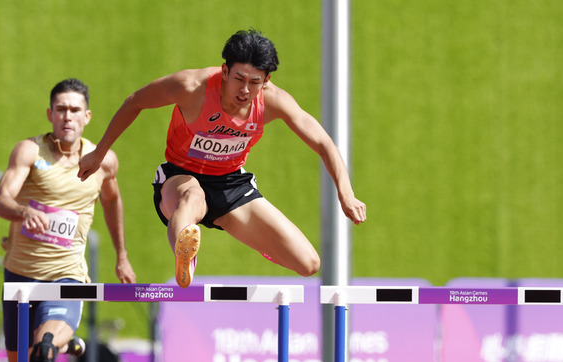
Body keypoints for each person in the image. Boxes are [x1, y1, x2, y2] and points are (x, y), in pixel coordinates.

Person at [78, 29, 366, 288]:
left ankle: (251, 238)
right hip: (181, 175)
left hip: (231, 184)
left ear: (266, 81)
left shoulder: (275, 101)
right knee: (193, 197)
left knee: (308, 264)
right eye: (239, 79)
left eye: (255, 83)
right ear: (225, 71)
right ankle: (185, 256)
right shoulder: (192, 86)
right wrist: (99, 152)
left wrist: (346, 192)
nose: (245, 90)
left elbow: (324, 143)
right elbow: (136, 101)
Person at [0, 78, 136, 362]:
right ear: (50, 115)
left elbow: (113, 200)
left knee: (43, 351)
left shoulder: (103, 160)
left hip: (68, 275)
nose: (67, 116)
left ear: (87, 117)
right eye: (60, 109)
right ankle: (69, 346)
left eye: (75, 110)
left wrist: (122, 256)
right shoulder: (29, 151)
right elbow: (0, 200)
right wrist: (22, 213)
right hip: (20, 278)